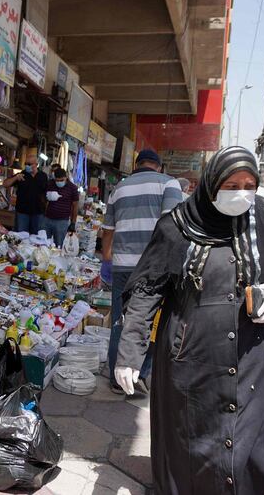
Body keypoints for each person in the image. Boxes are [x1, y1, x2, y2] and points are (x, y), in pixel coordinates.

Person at [115, 146, 264, 494]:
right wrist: (129, 352)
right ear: (211, 182)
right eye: (231, 185)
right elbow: (146, 290)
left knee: (246, 448)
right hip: (191, 362)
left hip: (254, 361)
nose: (241, 194)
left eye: (249, 184)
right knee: (188, 446)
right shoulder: (177, 226)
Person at [102, 149, 183, 393]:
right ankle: (139, 376)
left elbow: (108, 229)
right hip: (154, 268)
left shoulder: (119, 188)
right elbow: (173, 227)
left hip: (122, 266)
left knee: (120, 320)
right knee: (150, 322)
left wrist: (108, 258)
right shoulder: (170, 184)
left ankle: (117, 378)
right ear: (158, 166)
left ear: (136, 165)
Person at [3, 151, 47, 234]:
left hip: (38, 212)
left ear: (36, 164)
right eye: (26, 163)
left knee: (36, 237)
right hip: (22, 212)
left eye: (29, 164)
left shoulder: (43, 176)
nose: (27, 166)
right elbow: (5, 184)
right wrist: (15, 178)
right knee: (21, 237)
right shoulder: (21, 175)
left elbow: (46, 192)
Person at [44, 167, 79, 247]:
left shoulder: (73, 188)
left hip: (62, 221)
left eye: (61, 180)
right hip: (48, 219)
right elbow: (44, 199)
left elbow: (75, 205)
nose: (59, 182)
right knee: (44, 243)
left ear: (66, 177)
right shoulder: (50, 184)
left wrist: (73, 222)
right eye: (57, 180)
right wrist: (47, 197)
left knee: (59, 245)